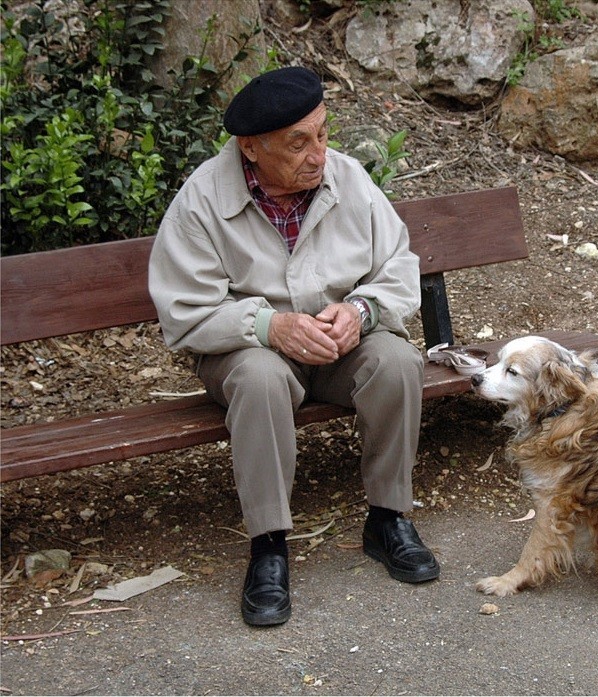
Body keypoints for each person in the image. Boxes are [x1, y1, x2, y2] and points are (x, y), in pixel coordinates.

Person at [148, 65, 440, 627]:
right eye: (298, 143)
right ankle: (269, 547)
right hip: (245, 353)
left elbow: (399, 266)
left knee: (398, 360)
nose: (318, 154)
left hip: (334, 349)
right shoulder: (203, 200)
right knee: (260, 378)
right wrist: (269, 327)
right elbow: (184, 312)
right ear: (250, 148)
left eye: (323, 133)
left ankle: (388, 518)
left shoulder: (349, 179)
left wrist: (362, 310)